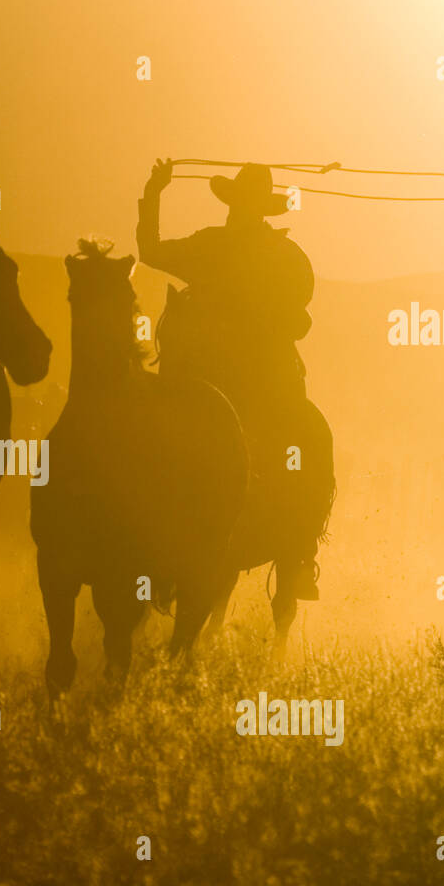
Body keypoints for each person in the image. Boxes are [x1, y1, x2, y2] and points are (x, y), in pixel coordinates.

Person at [136, 159, 333, 599]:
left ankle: (297, 551)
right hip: (257, 379)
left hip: (209, 376)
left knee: (305, 432)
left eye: (241, 203)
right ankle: (299, 553)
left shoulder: (211, 247)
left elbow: (149, 251)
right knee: (306, 437)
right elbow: (300, 315)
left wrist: (155, 193)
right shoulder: (285, 257)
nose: (237, 211)